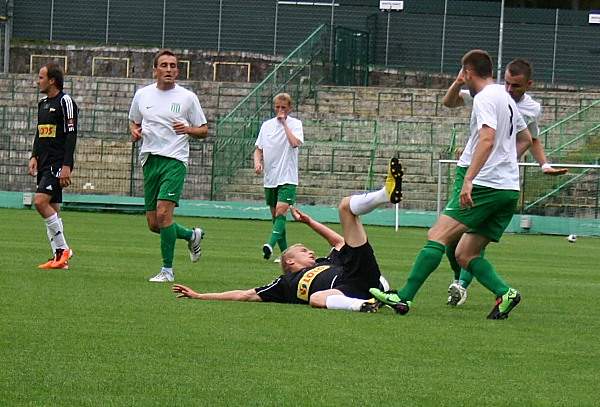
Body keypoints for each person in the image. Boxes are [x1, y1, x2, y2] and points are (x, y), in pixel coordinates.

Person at [371, 50, 532, 319]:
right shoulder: (505, 98)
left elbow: (487, 139)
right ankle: (506, 293)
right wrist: (506, 165)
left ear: (468, 73)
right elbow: (525, 137)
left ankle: (404, 298)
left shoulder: (484, 98)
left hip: (485, 185)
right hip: (507, 188)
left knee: (437, 236)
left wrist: (470, 179)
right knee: (465, 253)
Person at [173, 158, 404, 311]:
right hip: (348, 294)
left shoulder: (327, 261)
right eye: (304, 251)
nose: (311, 251)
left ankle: (386, 193)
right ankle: (366, 305)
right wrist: (201, 296)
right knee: (315, 299)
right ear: (289, 260)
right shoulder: (286, 283)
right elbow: (245, 295)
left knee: (345, 207)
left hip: (360, 274)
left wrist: (310, 222)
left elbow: (339, 242)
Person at [442, 58, 568, 306]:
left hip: (493, 181)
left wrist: (543, 164)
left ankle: (458, 285)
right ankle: (461, 279)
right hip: (477, 172)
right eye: (508, 83)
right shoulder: (492, 95)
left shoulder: (531, 108)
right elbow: (449, 103)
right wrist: (458, 82)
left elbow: (531, 138)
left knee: (462, 236)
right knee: (452, 241)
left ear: (529, 85)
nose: (510, 89)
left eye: (517, 86)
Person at [129, 49, 209, 283]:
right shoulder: (142, 95)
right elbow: (134, 121)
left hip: (174, 160)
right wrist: (134, 132)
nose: (169, 69)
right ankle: (191, 235)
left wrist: (188, 129)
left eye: (173, 65)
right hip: (150, 159)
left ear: (177, 70)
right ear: (155, 70)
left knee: (164, 214)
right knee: (155, 224)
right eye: (164, 65)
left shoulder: (187, 97)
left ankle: (167, 271)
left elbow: (203, 129)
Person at [29, 61, 79, 270]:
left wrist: (67, 166)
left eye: (41, 77)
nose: (38, 81)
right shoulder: (42, 104)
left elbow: (71, 135)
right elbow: (40, 133)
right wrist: (34, 156)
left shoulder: (66, 101)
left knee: (40, 202)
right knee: (54, 211)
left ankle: (64, 248)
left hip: (57, 163)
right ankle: (60, 259)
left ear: (52, 80)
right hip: (44, 163)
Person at [253, 93, 304, 261]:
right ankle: (285, 255)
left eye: (284, 107)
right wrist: (257, 162)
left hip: (287, 176)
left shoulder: (295, 124)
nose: (280, 110)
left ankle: (270, 245)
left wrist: (284, 124)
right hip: (270, 176)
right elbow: (258, 149)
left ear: (290, 108)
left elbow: (295, 143)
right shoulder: (266, 126)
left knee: (282, 211)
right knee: (276, 216)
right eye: (277, 107)